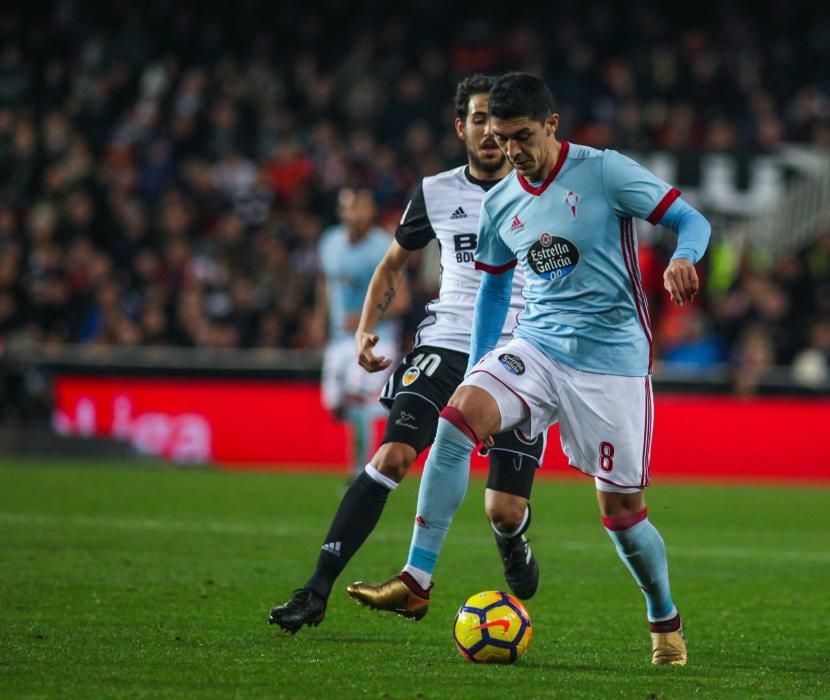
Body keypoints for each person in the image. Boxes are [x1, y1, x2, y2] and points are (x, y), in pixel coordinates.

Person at [347, 72, 710, 667]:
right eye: (500, 136)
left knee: (621, 514)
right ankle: (418, 578)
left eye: (521, 136)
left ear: (551, 126)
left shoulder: (604, 171)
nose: (512, 150)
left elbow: (691, 221)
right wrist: (484, 364)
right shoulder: (502, 200)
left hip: (611, 365)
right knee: (456, 418)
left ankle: (663, 618)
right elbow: (493, 288)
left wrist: (684, 259)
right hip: (537, 345)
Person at [269, 75, 546, 634]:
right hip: (444, 344)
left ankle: (512, 538)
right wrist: (365, 329)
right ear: (461, 127)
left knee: (504, 509)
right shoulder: (437, 192)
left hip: (522, 352)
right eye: (477, 120)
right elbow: (393, 264)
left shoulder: (539, 192)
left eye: (497, 120)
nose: (489, 132)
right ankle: (315, 590)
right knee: (393, 456)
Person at [315, 186, 406, 480]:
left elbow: (402, 300)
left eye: (361, 207)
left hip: (376, 337)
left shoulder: (384, 246)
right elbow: (327, 283)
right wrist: (320, 318)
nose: (354, 214)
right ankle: (397, 410)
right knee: (334, 406)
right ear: (341, 212)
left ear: (371, 211)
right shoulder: (329, 242)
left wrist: (365, 319)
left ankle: (358, 474)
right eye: (349, 208)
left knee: (356, 398)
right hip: (339, 339)